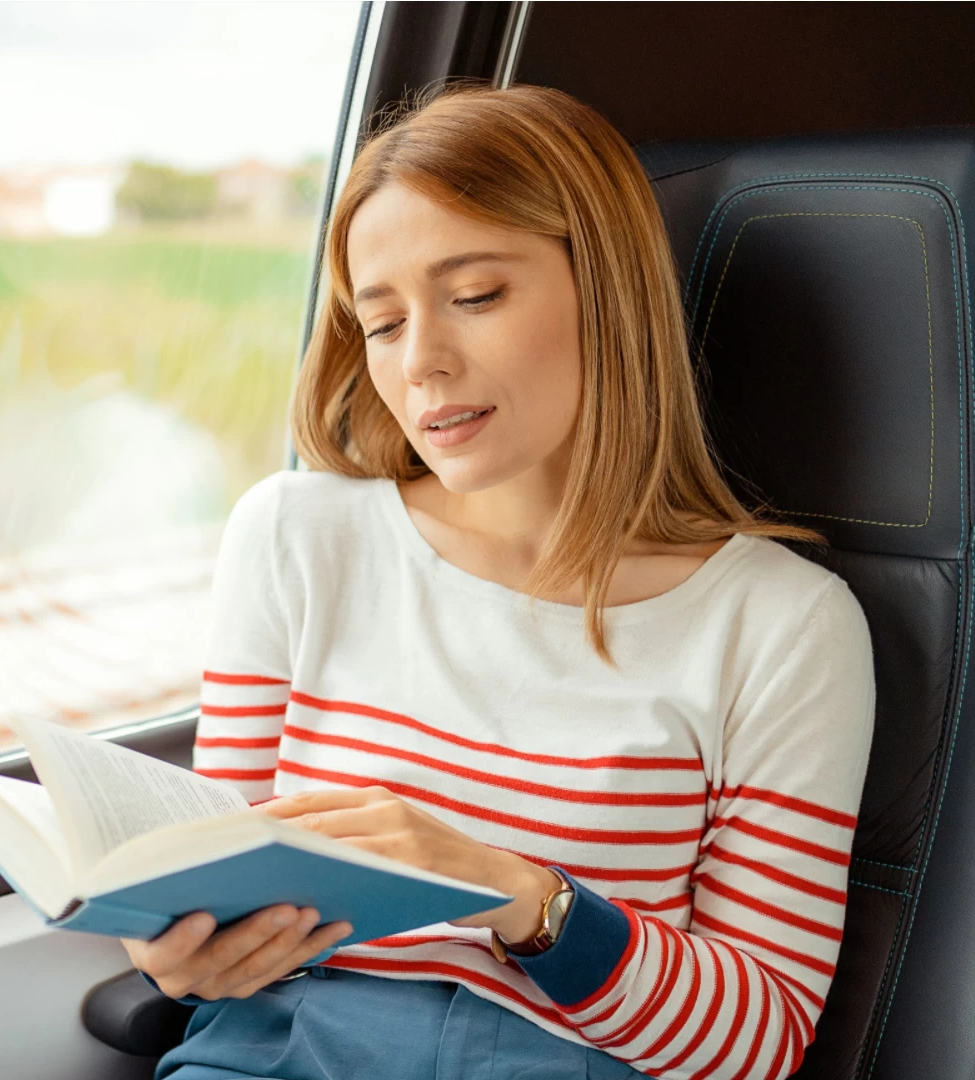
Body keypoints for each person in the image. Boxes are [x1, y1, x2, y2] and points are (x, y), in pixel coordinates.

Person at [122, 83, 876, 1080]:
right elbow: (220, 883)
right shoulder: (292, 537)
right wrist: (181, 953)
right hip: (280, 1047)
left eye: (475, 296)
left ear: (605, 292)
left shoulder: (782, 626)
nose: (423, 361)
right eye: (383, 324)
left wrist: (512, 893)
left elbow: (757, 1040)